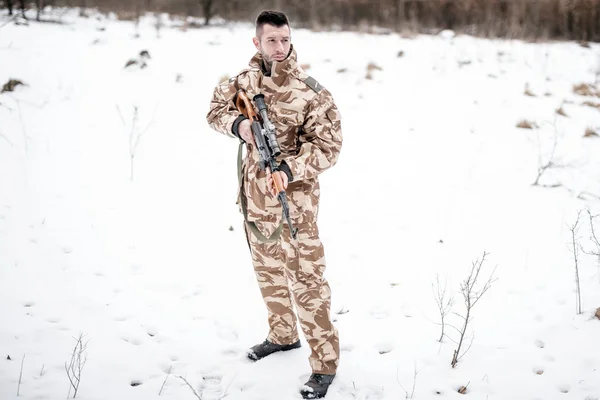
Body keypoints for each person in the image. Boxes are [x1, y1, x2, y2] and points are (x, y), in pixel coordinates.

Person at [206, 10, 343, 399]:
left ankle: (324, 364)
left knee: (306, 281)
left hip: (294, 204)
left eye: (285, 39)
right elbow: (215, 111)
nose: (280, 48)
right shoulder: (242, 82)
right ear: (257, 43)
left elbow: (329, 147)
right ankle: (283, 336)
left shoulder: (312, 92)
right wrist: (240, 126)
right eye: (271, 41)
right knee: (268, 271)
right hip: (254, 200)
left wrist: (289, 165)